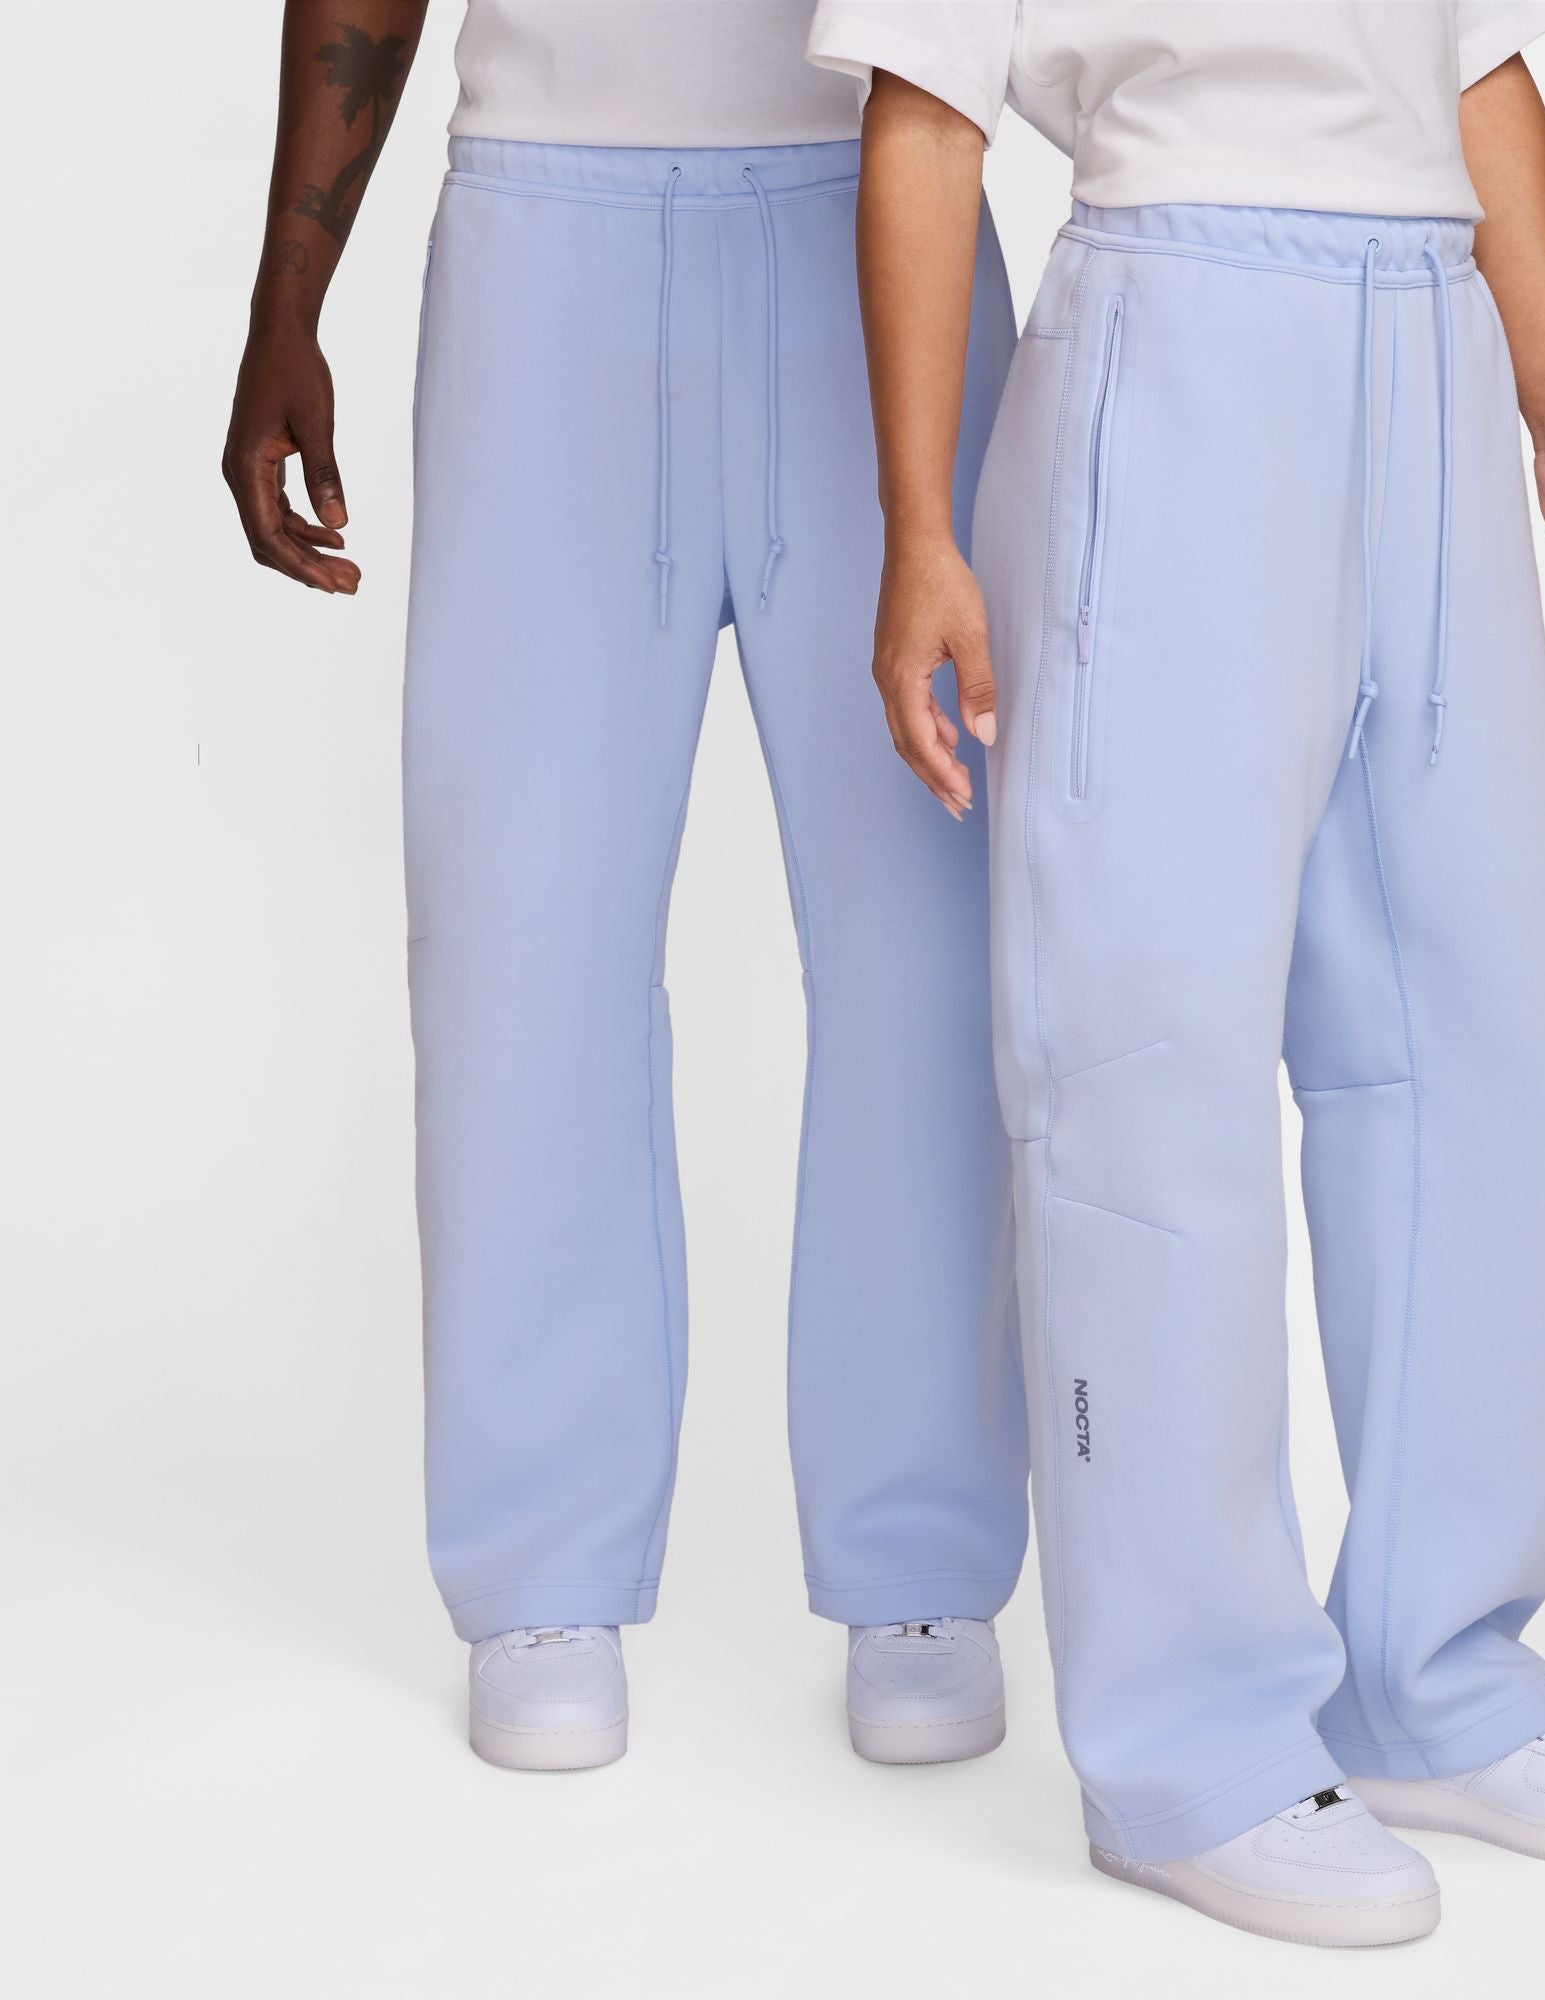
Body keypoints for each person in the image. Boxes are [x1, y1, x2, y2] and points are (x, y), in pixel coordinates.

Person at [808, 0, 1545, 1946]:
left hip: (1432, 341)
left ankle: (1433, 1675)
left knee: (1485, 1051)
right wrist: (918, 526)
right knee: (1147, 1057)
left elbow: (1476, 68)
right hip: (1178, 330)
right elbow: (925, 116)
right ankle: (1188, 1738)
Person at [222, 0, 1028, 1772]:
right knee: (518, 930)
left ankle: (923, 1556)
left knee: (931, 925)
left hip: (883, 195)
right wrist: (290, 296)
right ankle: (542, 1563)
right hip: (545, 219)